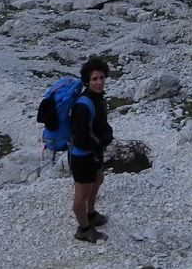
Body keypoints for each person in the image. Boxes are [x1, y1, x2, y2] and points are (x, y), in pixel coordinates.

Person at [70, 56, 113, 243]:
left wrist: (106, 134)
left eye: (102, 77)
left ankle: (91, 214)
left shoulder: (97, 98)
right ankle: (84, 229)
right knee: (82, 194)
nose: (99, 82)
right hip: (82, 156)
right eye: (95, 79)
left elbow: (99, 124)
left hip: (94, 152)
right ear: (87, 81)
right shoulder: (83, 105)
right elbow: (80, 138)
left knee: (98, 180)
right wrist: (102, 141)